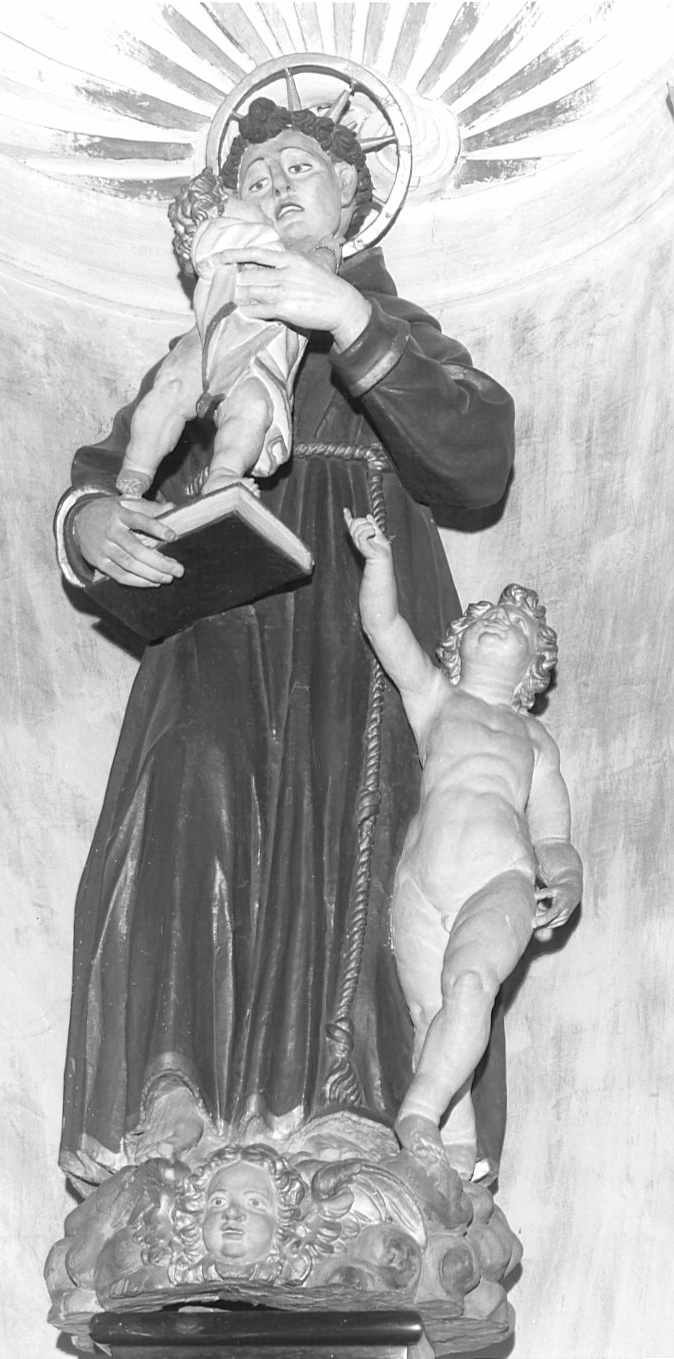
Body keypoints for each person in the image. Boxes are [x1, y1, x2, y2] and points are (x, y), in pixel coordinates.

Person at [54, 94, 516, 1196]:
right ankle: (171, 1103)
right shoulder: (210, 322)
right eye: (253, 175)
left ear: (350, 196)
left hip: (358, 596)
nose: (272, 185)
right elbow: (119, 456)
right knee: (186, 799)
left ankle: (356, 1111)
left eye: (297, 166)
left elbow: (475, 456)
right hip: (215, 607)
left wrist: (351, 322)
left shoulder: (391, 323)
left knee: (355, 822)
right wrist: (94, 519)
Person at [344, 510, 583, 1179]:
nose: (497, 623)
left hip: (500, 877)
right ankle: (454, 1167)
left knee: (472, 984)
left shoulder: (535, 740)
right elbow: (384, 627)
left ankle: (417, 1113)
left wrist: (565, 881)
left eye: (514, 626)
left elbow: (554, 835)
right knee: (433, 1018)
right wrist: (378, 561)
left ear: (533, 665)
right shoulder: (436, 699)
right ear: (460, 642)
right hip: (421, 880)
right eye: (485, 619)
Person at [116, 168, 340, 500]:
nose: (267, 202)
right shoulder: (221, 238)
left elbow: (312, 283)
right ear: (220, 208)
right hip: (213, 343)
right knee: (173, 391)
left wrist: (324, 256)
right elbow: (297, 270)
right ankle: (138, 467)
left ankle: (223, 474)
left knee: (251, 408)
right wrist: (328, 252)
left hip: (257, 357)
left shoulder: (255, 242)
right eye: (255, 188)